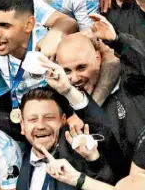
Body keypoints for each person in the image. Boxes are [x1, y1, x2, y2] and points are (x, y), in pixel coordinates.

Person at [0, 0, 74, 132]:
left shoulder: (52, 45)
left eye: (5, 25)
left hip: (58, 119)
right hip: (20, 116)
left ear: (29, 24)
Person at [14, 87, 119, 190]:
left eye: (49, 118)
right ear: (23, 126)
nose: (41, 125)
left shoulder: (79, 154)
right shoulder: (22, 162)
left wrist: (93, 160)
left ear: (63, 121)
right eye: (32, 119)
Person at [53, 22, 145, 162]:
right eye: (67, 71)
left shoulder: (131, 86)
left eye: (81, 67)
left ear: (98, 57)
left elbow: (139, 60)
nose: (75, 78)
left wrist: (117, 40)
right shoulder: (66, 110)